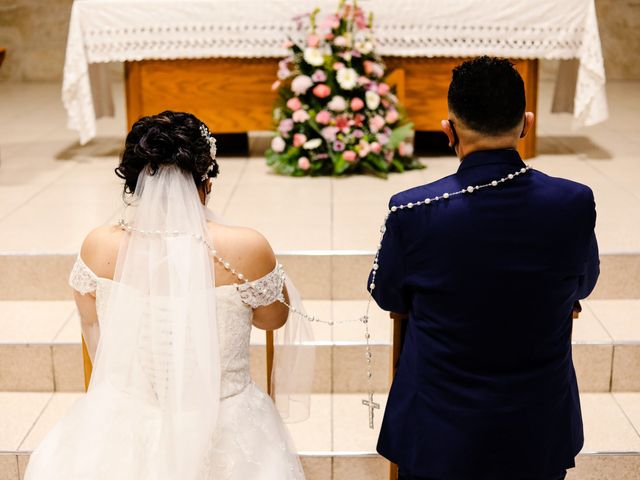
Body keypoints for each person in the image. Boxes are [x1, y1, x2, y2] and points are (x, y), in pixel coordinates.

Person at [24, 111, 310, 480]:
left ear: (133, 182)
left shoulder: (98, 246)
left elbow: (91, 322)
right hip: (225, 419)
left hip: (124, 418)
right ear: (206, 181)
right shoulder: (245, 247)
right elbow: (274, 318)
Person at [370, 57, 599, 480]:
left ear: (449, 131)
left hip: (437, 429)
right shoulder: (573, 202)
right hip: (537, 426)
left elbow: (388, 295)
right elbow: (583, 283)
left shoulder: (414, 209)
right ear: (526, 124)